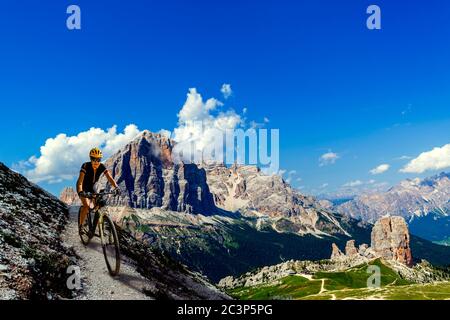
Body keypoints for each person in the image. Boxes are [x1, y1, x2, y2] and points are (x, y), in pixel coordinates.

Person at [76, 147, 120, 234]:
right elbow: (80, 181)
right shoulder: (85, 166)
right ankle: (81, 226)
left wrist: (116, 187)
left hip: (92, 187)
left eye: (98, 159)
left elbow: (110, 178)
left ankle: (96, 227)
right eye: (93, 159)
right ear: (90, 159)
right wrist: (81, 192)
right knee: (86, 205)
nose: (96, 162)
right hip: (82, 186)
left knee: (99, 204)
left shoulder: (101, 166)